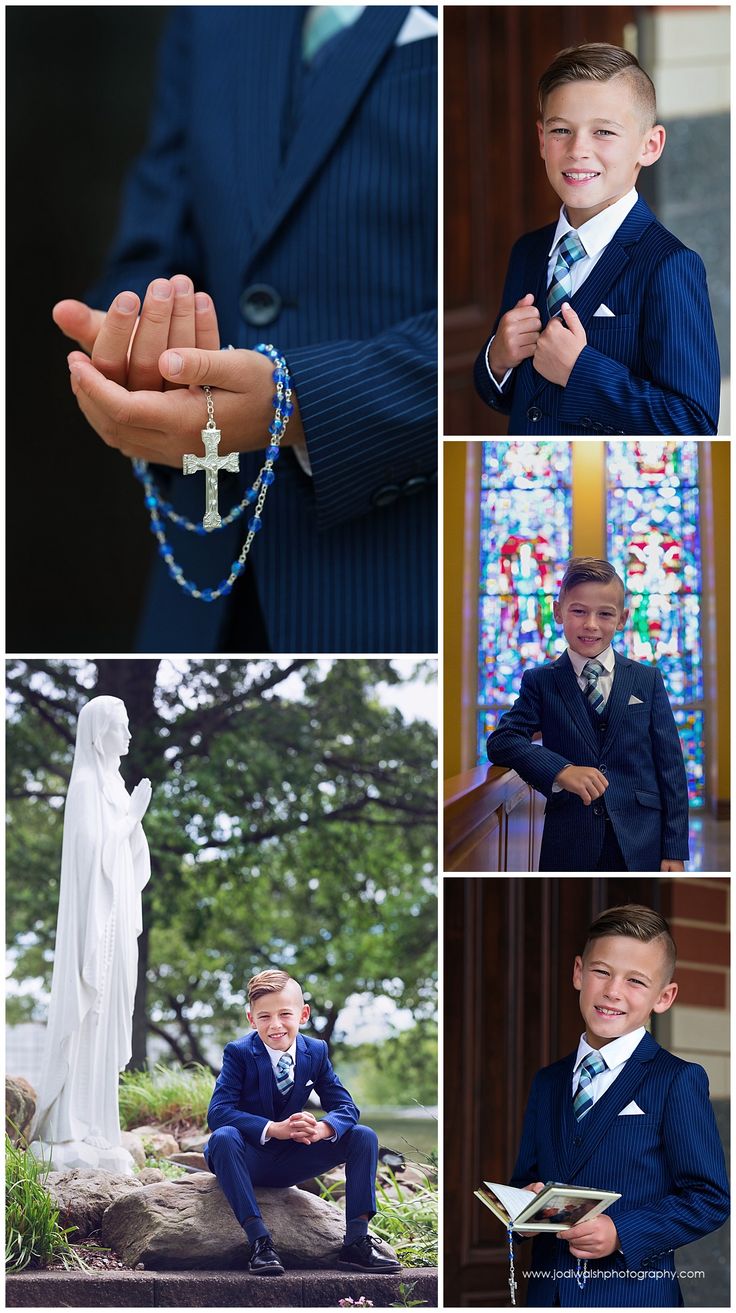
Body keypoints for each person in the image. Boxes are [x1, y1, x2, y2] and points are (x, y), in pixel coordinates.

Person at [54, 6, 438, 653]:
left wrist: (306, 404)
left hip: (405, 590)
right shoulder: (206, 17)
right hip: (203, 592)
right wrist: (140, 350)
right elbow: (154, 249)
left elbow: (501, 334)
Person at [474, 43, 720, 436]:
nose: (577, 150)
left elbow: (693, 425)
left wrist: (581, 373)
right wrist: (497, 358)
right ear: (541, 139)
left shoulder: (669, 265)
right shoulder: (527, 252)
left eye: (603, 132)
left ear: (649, 145)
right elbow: (513, 397)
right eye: (561, 130)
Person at [510, 904, 729, 1306]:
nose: (613, 991)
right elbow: (527, 1177)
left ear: (664, 997)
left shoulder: (676, 1080)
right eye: (601, 972)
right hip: (547, 1295)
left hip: (634, 1296)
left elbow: (709, 1197)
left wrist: (621, 1231)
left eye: (636, 981)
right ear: (578, 972)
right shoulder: (548, 1081)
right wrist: (524, 1213)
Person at [486, 557, 689, 872]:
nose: (591, 624)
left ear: (622, 619)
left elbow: (671, 768)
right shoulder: (541, 681)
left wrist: (674, 850)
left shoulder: (647, 679)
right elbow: (502, 741)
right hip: (570, 840)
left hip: (640, 839)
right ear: (558, 613)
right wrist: (560, 770)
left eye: (605, 614)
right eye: (578, 611)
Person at [203, 969, 400, 1276]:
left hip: (292, 1159)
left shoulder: (316, 1051)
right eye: (265, 1016)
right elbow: (218, 1112)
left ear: (303, 1014)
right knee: (224, 1136)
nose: (276, 1024)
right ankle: (260, 1242)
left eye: (285, 1014)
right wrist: (273, 1128)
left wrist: (323, 1128)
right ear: (251, 1019)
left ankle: (356, 1243)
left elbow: (346, 1106)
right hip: (246, 1158)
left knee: (363, 1136)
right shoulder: (239, 1053)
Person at [32, 698, 152, 1158]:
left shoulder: (115, 787)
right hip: (94, 924)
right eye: (121, 728)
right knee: (88, 1015)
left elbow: (131, 861)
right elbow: (90, 854)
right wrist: (131, 818)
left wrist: (129, 817)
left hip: (118, 915)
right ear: (100, 733)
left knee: (109, 1017)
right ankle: (68, 1127)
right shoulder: (85, 785)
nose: (128, 737)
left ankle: (99, 1123)